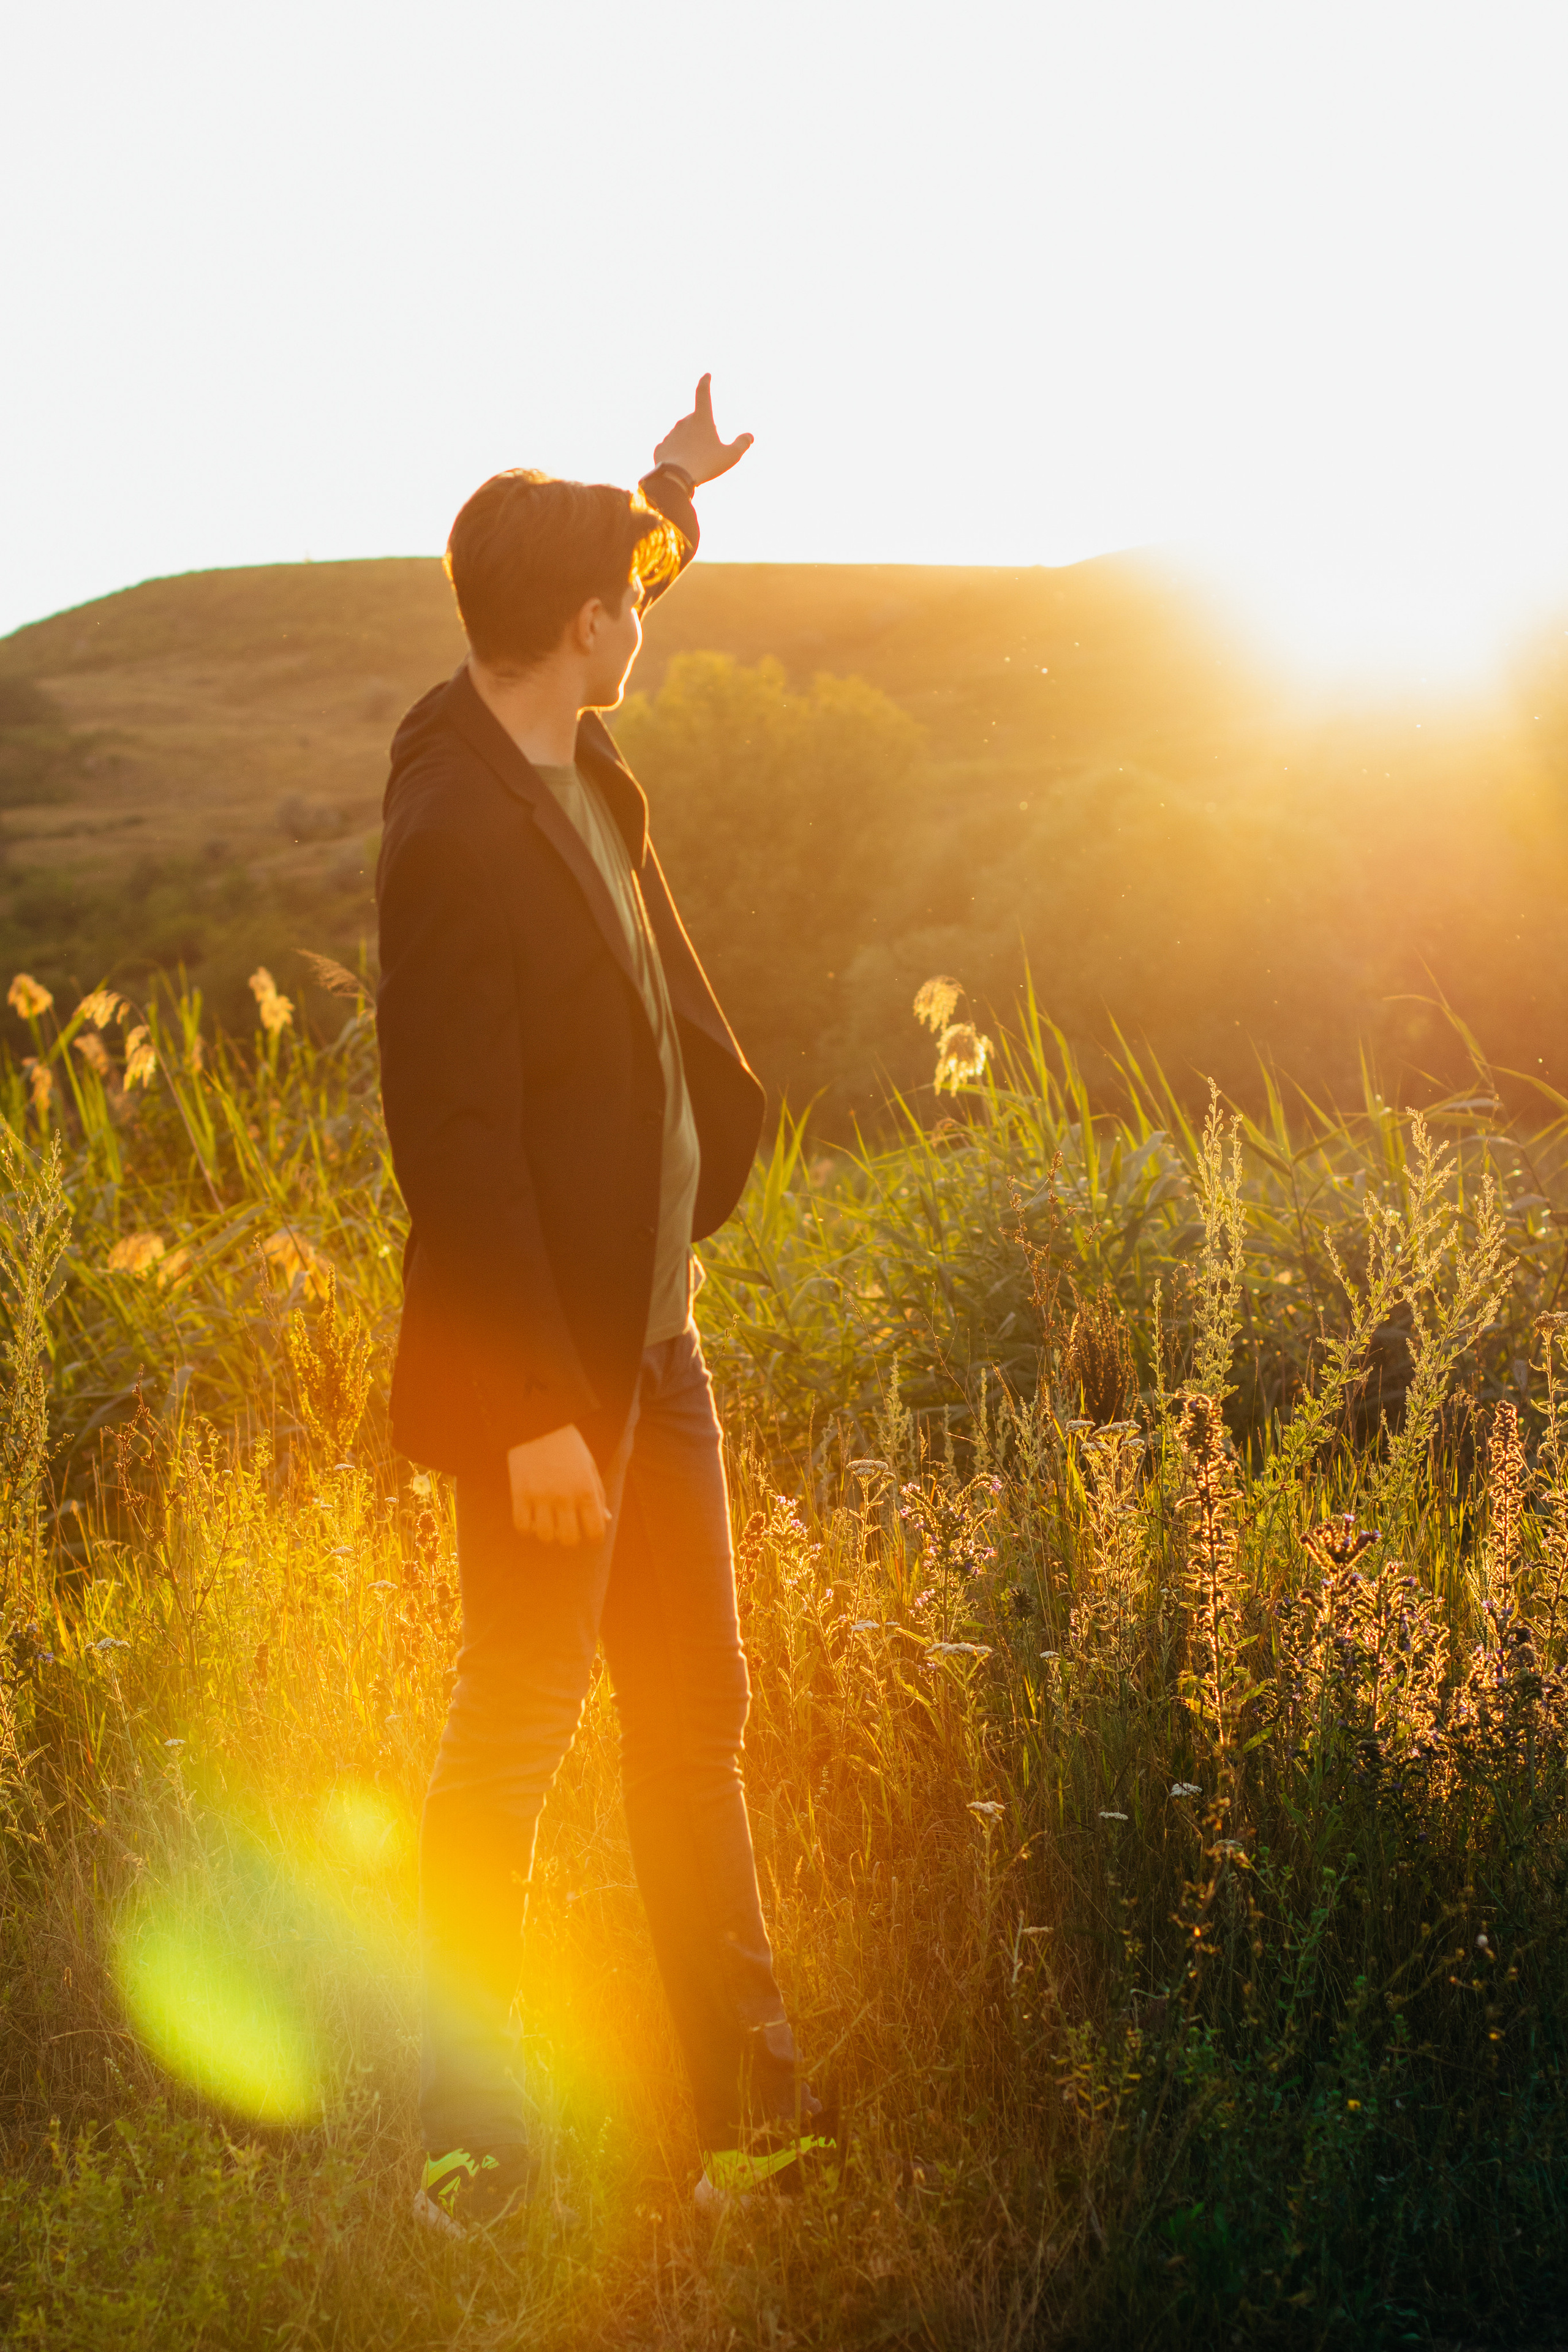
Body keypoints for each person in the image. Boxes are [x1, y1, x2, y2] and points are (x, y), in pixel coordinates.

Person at [375, 378, 829, 2237]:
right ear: (581, 629)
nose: (647, 608)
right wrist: (540, 1412)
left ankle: (751, 2119)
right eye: (628, 590)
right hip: (560, 1382)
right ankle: (464, 2135)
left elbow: (621, 567)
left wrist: (669, 489)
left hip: (667, 1350)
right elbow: (452, 1147)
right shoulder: (455, 830)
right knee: (515, 1732)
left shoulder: (550, 730)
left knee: (694, 1719)